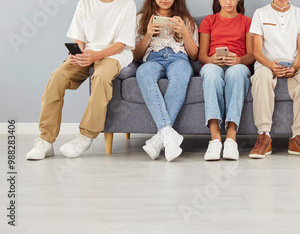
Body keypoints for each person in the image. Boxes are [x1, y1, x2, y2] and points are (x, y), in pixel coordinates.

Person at [26, 0, 136, 160]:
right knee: (57, 77)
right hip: (88, 53)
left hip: (114, 55)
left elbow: (121, 45)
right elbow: (79, 38)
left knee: (101, 77)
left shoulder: (127, 4)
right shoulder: (85, 3)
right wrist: (78, 52)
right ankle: (45, 140)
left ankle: (86, 136)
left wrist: (96, 56)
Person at [248, 0, 300, 159]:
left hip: (294, 63)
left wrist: (295, 66)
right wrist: (270, 65)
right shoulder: (260, 13)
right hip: (267, 63)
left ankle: (298, 138)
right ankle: (264, 136)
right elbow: (257, 51)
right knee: (260, 76)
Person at [134, 0, 199, 162]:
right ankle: (167, 133)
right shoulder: (141, 19)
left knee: (181, 74)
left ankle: (159, 138)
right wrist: (148, 34)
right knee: (143, 72)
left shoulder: (186, 20)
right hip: (152, 58)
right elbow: (135, 55)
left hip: (179, 58)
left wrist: (184, 32)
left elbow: (194, 55)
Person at [198, 0, 254, 161]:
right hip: (213, 64)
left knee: (235, 74)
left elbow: (252, 55)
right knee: (210, 73)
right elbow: (201, 54)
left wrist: (239, 60)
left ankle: (231, 137)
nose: (228, 2)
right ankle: (215, 139)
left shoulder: (247, 22)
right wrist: (211, 59)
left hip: (238, 65)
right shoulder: (209, 21)